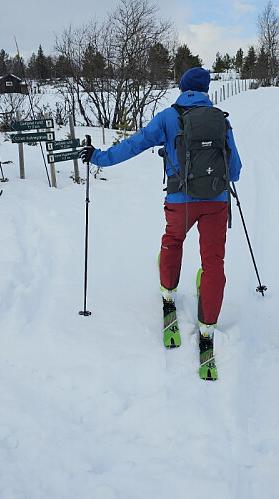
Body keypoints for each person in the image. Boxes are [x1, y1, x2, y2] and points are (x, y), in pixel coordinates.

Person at [81, 67, 242, 376]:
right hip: (216, 203)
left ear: (182, 88)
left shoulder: (169, 117)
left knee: (173, 242)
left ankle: (168, 292)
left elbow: (135, 143)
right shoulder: (221, 119)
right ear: (207, 90)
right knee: (213, 261)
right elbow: (234, 170)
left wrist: (98, 157)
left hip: (180, 201)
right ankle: (208, 325)